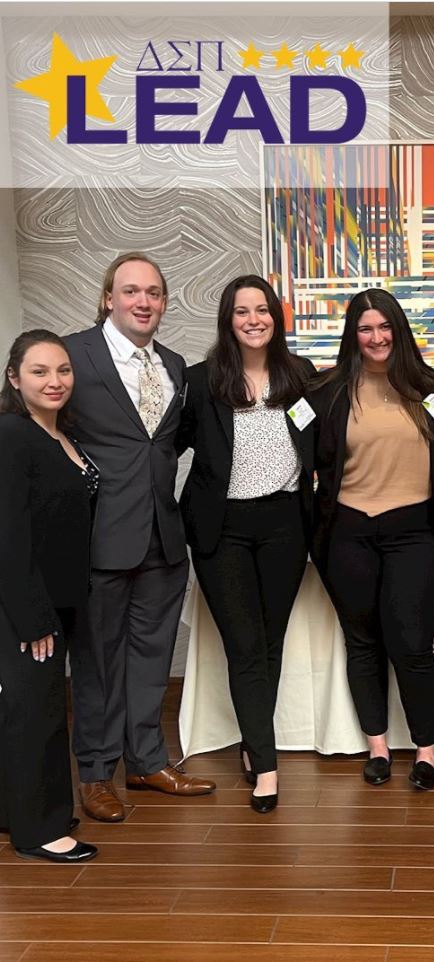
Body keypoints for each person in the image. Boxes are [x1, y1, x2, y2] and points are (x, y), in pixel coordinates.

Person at [65, 252, 215, 822]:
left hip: (162, 537)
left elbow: (165, 445)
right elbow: (39, 428)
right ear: (109, 298)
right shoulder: (73, 355)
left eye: (153, 292)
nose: (143, 302)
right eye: (130, 291)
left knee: (151, 657)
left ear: (164, 302)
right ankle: (96, 773)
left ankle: (147, 761)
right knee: (98, 663)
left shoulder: (173, 364)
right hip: (99, 536)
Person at [177, 276, 317, 814]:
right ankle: (266, 763)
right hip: (223, 529)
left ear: (276, 317)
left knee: (269, 643)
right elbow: (166, 448)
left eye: (262, 310)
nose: (254, 320)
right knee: (244, 646)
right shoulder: (201, 380)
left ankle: (253, 743)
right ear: (228, 320)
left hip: (285, 524)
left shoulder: (300, 375)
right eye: (242, 311)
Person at [310, 288, 434, 790]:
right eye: (365, 328)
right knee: (363, 643)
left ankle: (426, 751)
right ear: (353, 335)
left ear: (399, 330)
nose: (376, 337)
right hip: (349, 533)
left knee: (413, 646)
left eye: (384, 326)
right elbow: (303, 459)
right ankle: (378, 749)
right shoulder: (326, 392)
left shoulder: (430, 387)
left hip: (413, 532)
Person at [0, 331, 98, 862]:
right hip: (26, 602)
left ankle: (17, 811)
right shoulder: (11, 434)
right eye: (39, 371)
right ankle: (40, 829)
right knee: (35, 712)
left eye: (63, 370)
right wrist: (32, 615)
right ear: (14, 378)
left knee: (33, 706)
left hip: (60, 597)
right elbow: (9, 533)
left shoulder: (62, 433)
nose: (55, 381)